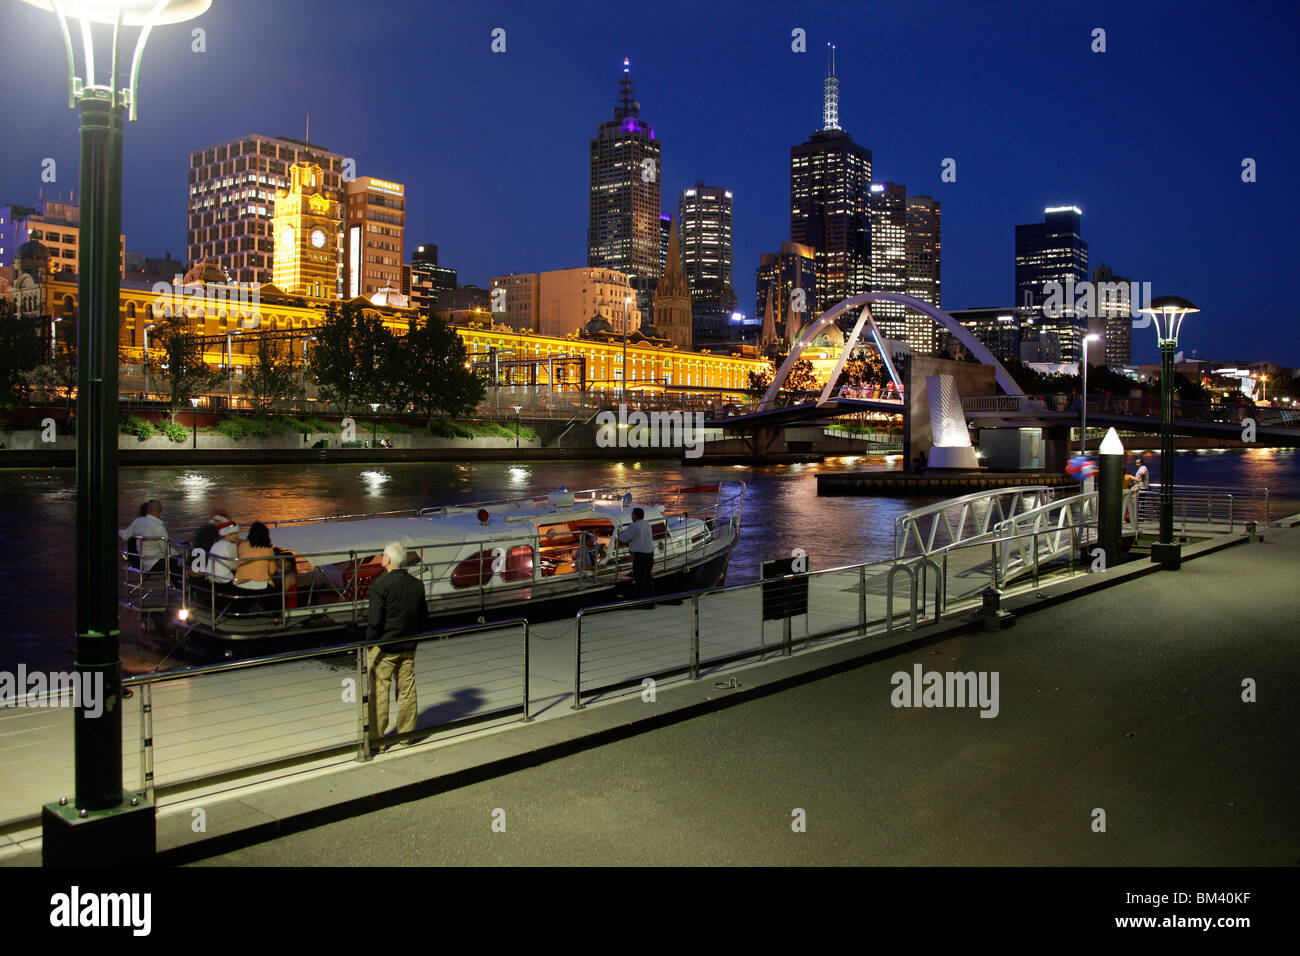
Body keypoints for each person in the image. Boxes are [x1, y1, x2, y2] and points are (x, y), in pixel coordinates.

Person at [367, 541, 428, 748]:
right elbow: (423, 617)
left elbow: (375, 621)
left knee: (379, 689)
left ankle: (378, 739)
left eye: (383, 554)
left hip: (385, 646)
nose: (382, 557)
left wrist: (370, 644)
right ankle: (406, 735)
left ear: (388, 559)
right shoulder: (417, 585)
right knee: (407, 689)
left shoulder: (380, 586)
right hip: (408, 645)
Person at [234, 521, 277, 615]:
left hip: (241, 583)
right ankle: (275, 617)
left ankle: (241, 614)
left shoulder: (242, 546)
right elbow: (272, 571)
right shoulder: (268, 549)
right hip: (260, 584)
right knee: (274, 592)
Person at [119, 499, 168, 573]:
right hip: (153, 562)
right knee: (178, 562)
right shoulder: (158, 528)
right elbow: (165, 550)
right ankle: (180, 583)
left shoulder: (137, 522)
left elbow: (125, 535)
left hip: (139, 561)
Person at [617, 507, 654, 600]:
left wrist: (620, 533)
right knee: (648, 577)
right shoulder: (647, 524)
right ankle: (651, 598)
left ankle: (643, 600)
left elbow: (623, 538)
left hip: (640, 556)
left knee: (640, 579)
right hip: (649, 555)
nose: (631, 516)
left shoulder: (633, 526)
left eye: (632, 514)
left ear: (635, 515)